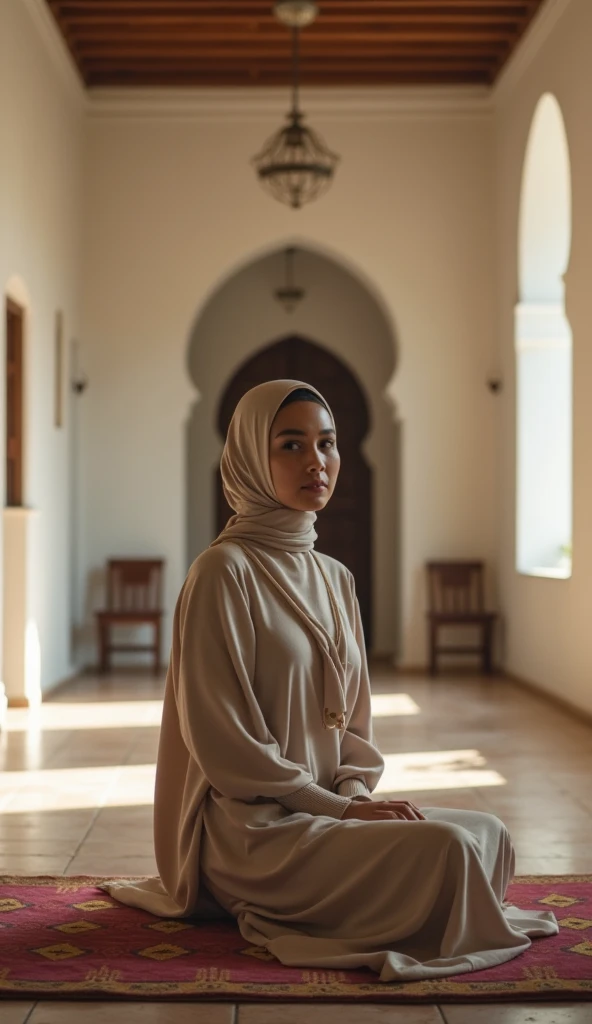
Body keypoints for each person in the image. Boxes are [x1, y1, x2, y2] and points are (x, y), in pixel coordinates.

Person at [105, 378, 557, 982]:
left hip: (328, 813)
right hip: (250, 831)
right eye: (290, 445)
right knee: (447, 851)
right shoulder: (222, 571)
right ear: (249, 458)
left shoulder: (336, 578)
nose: (316, 462)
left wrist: (358, 800)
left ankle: (387, 897)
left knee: (487, 835)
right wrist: (338, 813)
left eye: (328, 443)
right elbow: (224, 746)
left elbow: (353, 727)